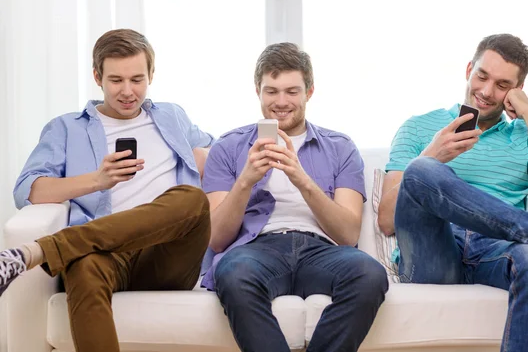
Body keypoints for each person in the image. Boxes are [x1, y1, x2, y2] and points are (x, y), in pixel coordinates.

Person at [377, 33, 528, 352]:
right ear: (469, 69)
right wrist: (433, 155)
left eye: (502, 85)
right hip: (434, 250)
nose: (485, 91)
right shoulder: (419, 127)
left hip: (495, 249)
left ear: (516, 91)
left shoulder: (522, 136)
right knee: (422, 170)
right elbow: (386, 219)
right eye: (482, 76)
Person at [0, 29, 214, 352]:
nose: (127, 91)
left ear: (151, 75)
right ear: (97, 76)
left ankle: (42, 250)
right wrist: (97, 180)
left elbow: (221, 156)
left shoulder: (173, 116)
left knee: (192, 199)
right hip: (105, 256)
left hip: (167, 255)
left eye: (137, 79)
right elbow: (28, 190)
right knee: (82, 266)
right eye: (116, 80)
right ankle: (59, 250)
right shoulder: (66, 128)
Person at [201, 42, 388, 352]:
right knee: (231, 273)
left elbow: (348, 233)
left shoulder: (340, 147)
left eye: (291, 91)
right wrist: (246, 180)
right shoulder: (228, 147)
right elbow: (217, 239)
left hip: (321, 251)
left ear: (309, 92)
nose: (281, 101)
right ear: (258, 91)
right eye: (271, 91)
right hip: (257, 249)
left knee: (369, 274)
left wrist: (301, 179)